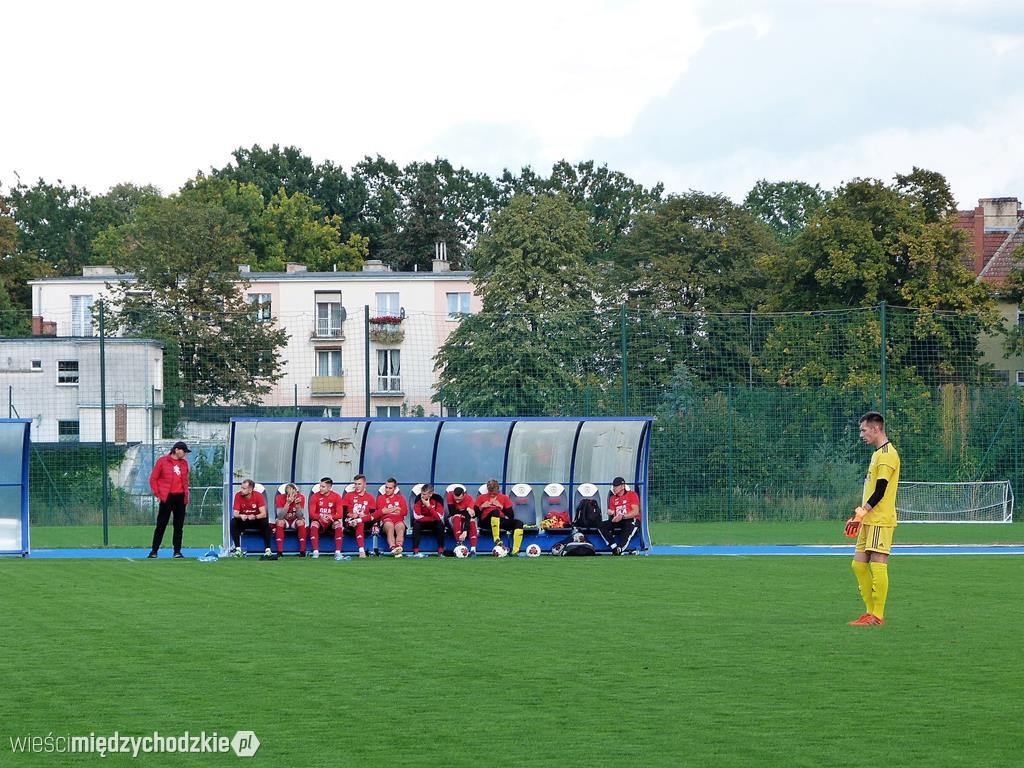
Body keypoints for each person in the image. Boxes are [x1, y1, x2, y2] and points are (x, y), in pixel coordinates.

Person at [846, 411, 901, 626]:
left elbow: (880, 490)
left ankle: (877, 616)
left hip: (880, 519)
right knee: (858, 565)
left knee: (878, 564)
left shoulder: (888, 454)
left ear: (876, 428)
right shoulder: (877, 453)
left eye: (863, 430)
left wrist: (861, 513)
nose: (861, 434)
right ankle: (869, 612)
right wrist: (860, 517)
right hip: (869, 519)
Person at [147, 441, 191, 559]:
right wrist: (159, 494)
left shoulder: (185, 464)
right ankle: (154, 550)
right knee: (161, 524)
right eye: (184, 451)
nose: (185, 454)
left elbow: (186, 481)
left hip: (180, 498)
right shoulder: (162, 461)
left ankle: (177, 551)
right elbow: (153, 479)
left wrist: (186, 496)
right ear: (176, 450)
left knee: (178, 526)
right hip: (167, 497)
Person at [476, 478, 524, 556]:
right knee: (495, 512)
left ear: (498, 490)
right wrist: (481, 507)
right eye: (490, 492)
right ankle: (496, 539)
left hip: (499, 521)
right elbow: (474, 514)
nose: (492, 494)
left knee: (519, 523)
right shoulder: (481, 498)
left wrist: (501, 507)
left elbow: (511, 515)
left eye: (494, 493)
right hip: (485, 521)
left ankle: (515, 551)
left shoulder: (504, 498)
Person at [230, 479, 276, 560]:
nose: (241, 490)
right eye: (241, 488)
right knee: (234, 522)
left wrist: (254, 516)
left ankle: (268, 550)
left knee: (265, 522)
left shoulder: (258, 496)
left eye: (244, 489)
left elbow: (263, 514)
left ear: (250, 490)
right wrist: (241, 516)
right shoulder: (238, 495)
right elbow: (235, 513)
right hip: (244, 520)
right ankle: (238, 549)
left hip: (255, 520)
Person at [599, 477, 641, 555]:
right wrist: (611, 513)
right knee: (601, 525)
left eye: (616, 486)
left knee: (628, 527)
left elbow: (635, 512)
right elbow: (613, 514)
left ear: (622, 486)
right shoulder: (612, 498)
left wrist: (622, 516)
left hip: (630, 519)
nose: (614, 488)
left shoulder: (632, 494)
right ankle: (614, 546)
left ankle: (620, 548)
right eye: (613, 486)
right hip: (618, 520)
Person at [342, 474, 377, 559]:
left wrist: (366, 516)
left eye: (359, 484)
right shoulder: (348, 496)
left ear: (365, 484)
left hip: (365, 521)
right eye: (355, 484)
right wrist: (350, 514)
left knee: (360, 521)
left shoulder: (370, 497)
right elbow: (343, 513)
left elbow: (373, 516)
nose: (357, 486)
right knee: (358, 522)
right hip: (350, 521)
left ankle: (362, 550)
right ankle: (361, 551)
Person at [309, 477, 345, 560]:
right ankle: (315, 552)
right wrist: (320, 517)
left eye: (323, 487)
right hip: (319, 521)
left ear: (329, 487)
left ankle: (338, 552)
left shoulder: (337, 497)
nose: (320, 488)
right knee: (313, 525)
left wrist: (331, 517)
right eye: (320, 486)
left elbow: (340, 514)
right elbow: (311, 514)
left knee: (338, 526)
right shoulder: (315, 496)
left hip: (331, 521)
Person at [411, 483, 446, 557]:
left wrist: (428, 506)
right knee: (416, 524)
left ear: (430, 494)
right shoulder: (418, 498)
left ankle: (441, 551)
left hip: (434, 523)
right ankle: (415, 551)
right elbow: (417, 516)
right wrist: (433, 517)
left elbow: (440, 517)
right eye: (422, 494)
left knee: (440, 524)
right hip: (423, 523)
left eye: (424, 494)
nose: (422, 496)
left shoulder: (438, 499)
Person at [377, 477, 408, 556]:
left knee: (400, 526)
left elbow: (404, 512)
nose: (387, 490)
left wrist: (388, 510)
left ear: (394, 488)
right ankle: (393, 548)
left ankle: (398, 547)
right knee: (390, 525)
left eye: (390, 488)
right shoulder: (381, 498)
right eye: (386, 487)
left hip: (398, 521)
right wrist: (396, 509)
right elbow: (381, 512)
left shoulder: (401, 498)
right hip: (386, 521)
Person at [275, 483, 307, 557]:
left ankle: (302, 551)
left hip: (295, 519)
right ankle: (279, 551)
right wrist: (287, 503)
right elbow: (280, 516)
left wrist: (298, 506)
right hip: (284, 519)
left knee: (301, 522)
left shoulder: (300, 497)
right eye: (290, 494)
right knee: (280, 522)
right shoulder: (279, 498)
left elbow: (300, 517)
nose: (293, 496)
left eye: (294, 494)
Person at [446, 484, 478, 556]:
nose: (457, 501)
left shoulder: (469, 499)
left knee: (472, 521)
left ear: (464, 495)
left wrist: (465, 531)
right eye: (455, 499)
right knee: (457, 516)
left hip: (465, 519)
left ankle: (473, 550)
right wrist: (466, 509)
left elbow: (468, 516)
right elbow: (452, 512)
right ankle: (459, 545)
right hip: (452, 519)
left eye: (459, 499)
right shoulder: (450, 495)